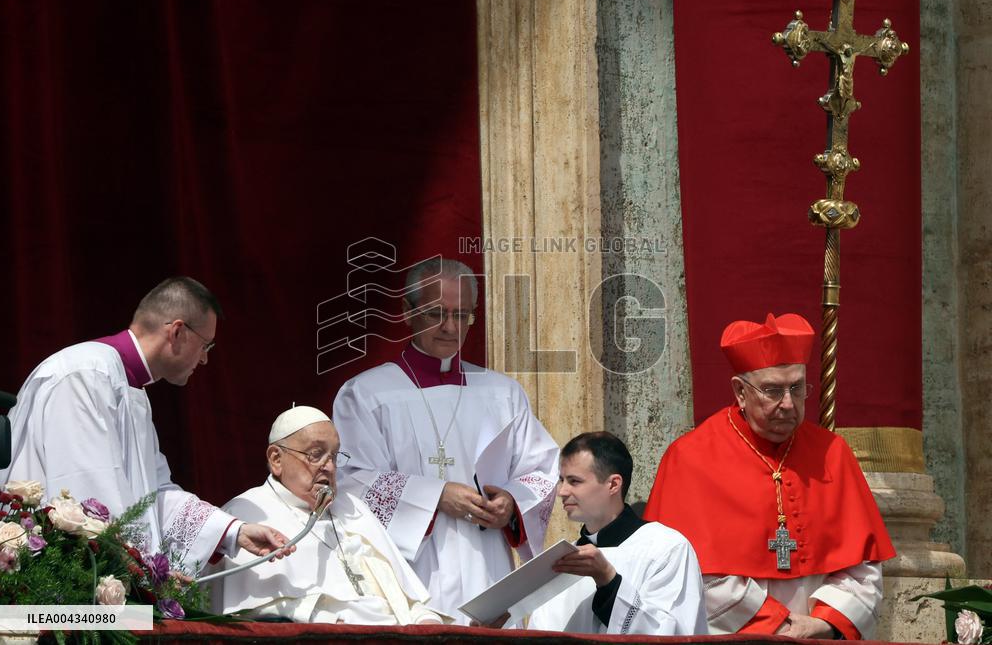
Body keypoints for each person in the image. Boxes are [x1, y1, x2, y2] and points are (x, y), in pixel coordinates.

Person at [0, 277, 292, 573]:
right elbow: (86, 494)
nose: (203, 359)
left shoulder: (130, 389)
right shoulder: (86, 374)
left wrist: (232, 532)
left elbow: (155, 496)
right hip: (57, 600)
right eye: (206, 345)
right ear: (177, 331)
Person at [332, 257, 560, 623]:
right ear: (408, 312)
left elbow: (542, 469)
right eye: (437, 313)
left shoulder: (502, 393)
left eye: (462, 315)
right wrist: (435, 496)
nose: (450, 327)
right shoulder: (366, 394)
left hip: (488, 567)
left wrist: (511, 503)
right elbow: (351, 481)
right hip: (410, 571)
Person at [643, 313, 895, 639]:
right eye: (773, 390)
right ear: (740, 391)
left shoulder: (832, 452)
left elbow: (863, 569)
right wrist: (779, 626)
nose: (788, 404)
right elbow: (686, 574)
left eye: (797, 387)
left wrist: (821, 623)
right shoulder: (690, 458)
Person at [210, 405, 447, 625]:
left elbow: (405, 598)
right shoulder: (245, 513)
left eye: (334, 456)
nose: (330, 467)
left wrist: (425, 620)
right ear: (276, 459)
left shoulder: (354, 508)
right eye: (316, 454)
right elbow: (255, 615)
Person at [526, 432, 707, 635]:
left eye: (574, 481)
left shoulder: (667, 548)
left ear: (613, 484)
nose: (562, 491)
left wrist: (608, 581)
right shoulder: (560, 559)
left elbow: (672, 634)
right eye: (561, 480)